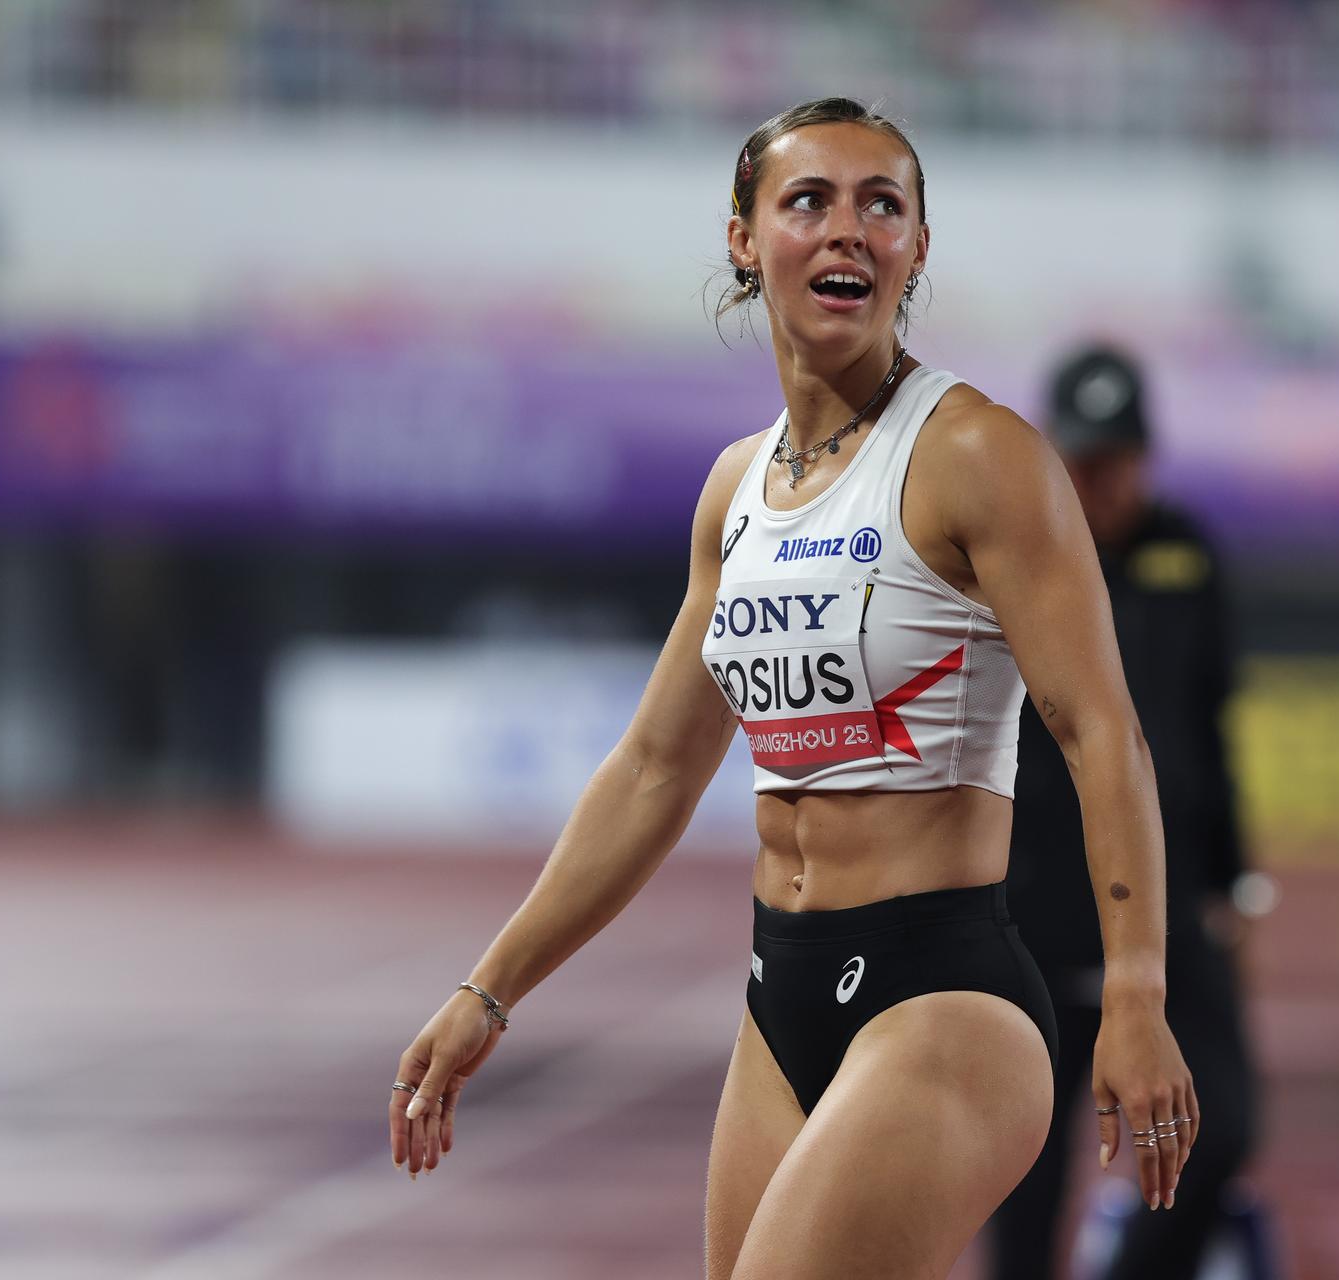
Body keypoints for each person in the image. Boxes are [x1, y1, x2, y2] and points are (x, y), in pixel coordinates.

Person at [386, 98, 1198, 1280]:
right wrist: (490, 989)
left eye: (884, 205)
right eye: (808, 200)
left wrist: (1136, 988)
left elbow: (1101, 730)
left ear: (917, 247)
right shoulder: (738, 493)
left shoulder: (977, 456)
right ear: (742, 237)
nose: (848, 230)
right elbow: (656, 766)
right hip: (783, 996)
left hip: (946, 995)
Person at [986, 346, 1262, 1280]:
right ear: (1054, 454)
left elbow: (1211, 730)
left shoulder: (1189, 555)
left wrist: (1234, 878)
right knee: (1020, 1163)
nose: (1102, 483)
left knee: (1223, 1123)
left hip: (1167, 903)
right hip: (1029, 900)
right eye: (1085, 460)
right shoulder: (1008, 559)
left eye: (1118, 460)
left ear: (1146, 455)